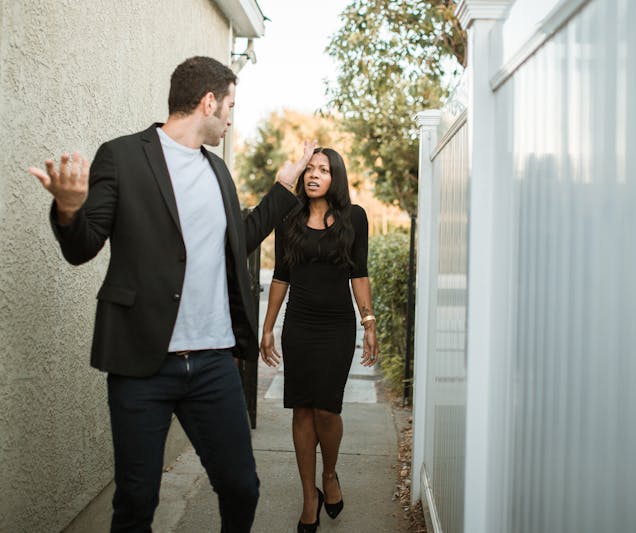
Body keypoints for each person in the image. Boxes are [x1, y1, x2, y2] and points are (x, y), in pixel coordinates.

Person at [28, 56, 315, 532]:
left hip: (213, 364)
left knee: (242, 487)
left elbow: (236, 241)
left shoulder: (218, 171)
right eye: (230, 106)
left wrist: (283, 188)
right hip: (142, 363)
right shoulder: (121, 156)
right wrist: (68, 209)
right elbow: (82, 248)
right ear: (208, 101)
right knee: (137, 501)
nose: (230, 117)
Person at [259, 147, 378, 533]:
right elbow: (280, 275)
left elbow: (359, 272)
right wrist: (268, 327)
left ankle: (329, 474)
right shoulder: (288, 218)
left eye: (322, 170)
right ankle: (309, 496)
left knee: (327, 409)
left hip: (337, 326)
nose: (313, 175)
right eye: (309, 169)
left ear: (335, 177)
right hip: (300, 325)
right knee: (302, 409)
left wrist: (369, 320)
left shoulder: (353, 218)